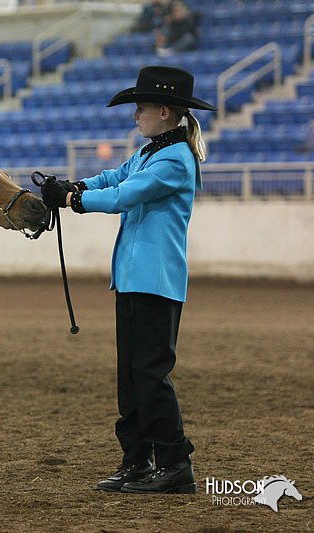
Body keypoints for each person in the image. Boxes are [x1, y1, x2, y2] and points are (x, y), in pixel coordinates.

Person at [41, 66, 216, 494]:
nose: (135, 114)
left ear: (164, 110)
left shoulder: (174, 159)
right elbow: (113, 178)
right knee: (132, 376)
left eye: (141, 107)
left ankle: (174, 462)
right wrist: (76, 184)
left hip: (155, 281)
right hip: (136, 279)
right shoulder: (151, 152)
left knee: (151, 375)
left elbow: (124, 196)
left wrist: (72, 199)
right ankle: (137, 460)